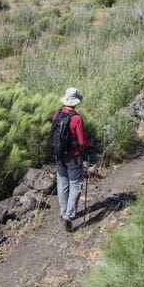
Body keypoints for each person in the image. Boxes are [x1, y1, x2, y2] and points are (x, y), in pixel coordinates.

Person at [53, 87, 91, 232]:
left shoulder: (57, 114)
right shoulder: (77, 118)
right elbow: (82, 141)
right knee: (75, 185)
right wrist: (90, 144)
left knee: (62, 183)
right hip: (73, 156)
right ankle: (69, 217)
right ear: (76, 102)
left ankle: (63, 213)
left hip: (59, 154)